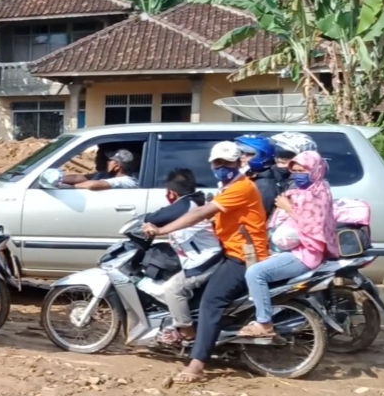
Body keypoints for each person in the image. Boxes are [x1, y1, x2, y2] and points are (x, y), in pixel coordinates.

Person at [143, 141, 269, 383]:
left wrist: (161, 230)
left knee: (212, 303)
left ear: (238, 162)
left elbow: (200, 213)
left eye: (227, 163)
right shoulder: (229, 186)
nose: (222, 167)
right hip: (230, 250)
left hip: (244, 256)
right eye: (217, 163)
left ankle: (197, 365)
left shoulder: (241, 188)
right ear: (211, 164)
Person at [239, 151, 336, 338]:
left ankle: (264, 324)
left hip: (305, 254)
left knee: (255, 273)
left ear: (315, 170)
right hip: (296, 249)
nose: (298, 175)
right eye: (295, 171)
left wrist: (287, 207)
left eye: (303, 171)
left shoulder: (315, 196)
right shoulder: (314, 190)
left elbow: (311, 226)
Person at [145, 169, 222, 346]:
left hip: (204, 261)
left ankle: (187, 331)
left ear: (171, 193)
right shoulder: (192, 201)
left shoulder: (185, 206)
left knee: (172, 289)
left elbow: (157, 217)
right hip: (200, 257)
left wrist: (149, 223)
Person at [234, 135, 282, 216]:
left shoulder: (264, 185)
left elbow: (258, 215)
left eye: (249, 154)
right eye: (241, 153)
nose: (242, 157)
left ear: (262, 156)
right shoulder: (253, 178)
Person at [61, 149, 138, 190]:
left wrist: (69, 187)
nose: (107, 162)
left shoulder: (127, 181)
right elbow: (84, 178)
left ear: (117, 166)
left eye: (110, 160)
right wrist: (60, 179)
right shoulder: (105, 174)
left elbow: (93, 185)